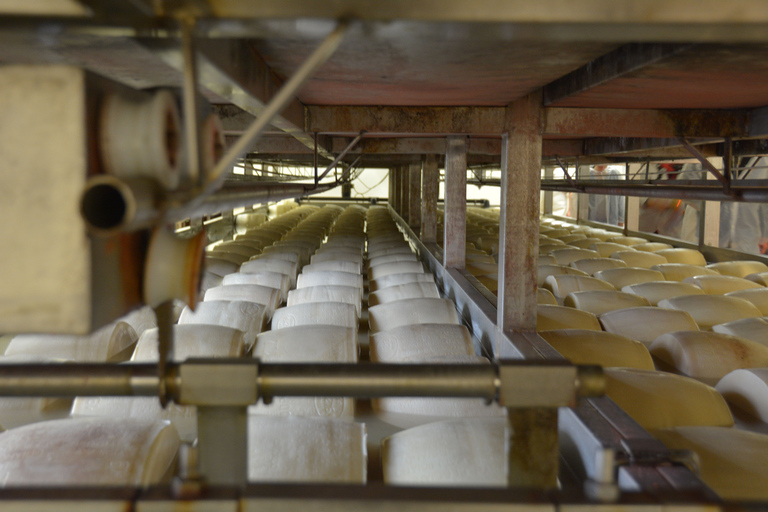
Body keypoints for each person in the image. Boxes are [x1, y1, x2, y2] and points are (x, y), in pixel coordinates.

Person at [719, 156, 768, 255]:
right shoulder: (711, 153)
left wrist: (765, 236)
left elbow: (765, 205)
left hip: (748, 236)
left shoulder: (764, 161)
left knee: (747, 268)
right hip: (712, 234)